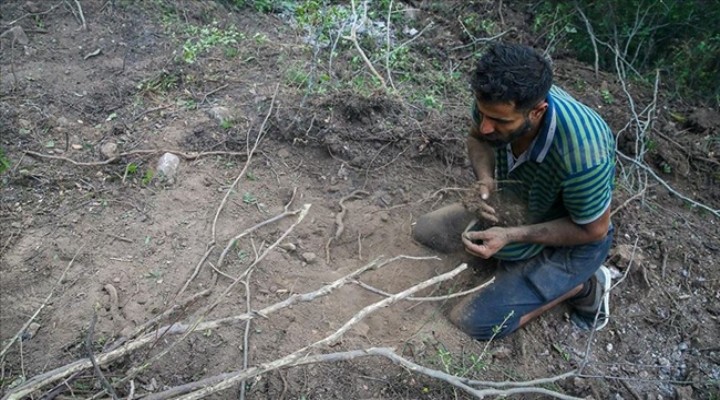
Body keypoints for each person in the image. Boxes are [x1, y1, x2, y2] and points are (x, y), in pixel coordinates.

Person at [412, 43, 615, 340]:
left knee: (472, 323)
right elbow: (477, 139)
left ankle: (583, 285)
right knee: (426, 230)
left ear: (537, 111)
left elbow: (593, 230)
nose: (485, 127)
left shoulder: (583, 153)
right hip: (521, 204)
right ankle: (511, 262)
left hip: (573, 240)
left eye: (499, 122)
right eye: (483, 115)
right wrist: (486, 179)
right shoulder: (493, 105)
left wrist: (511, 235)